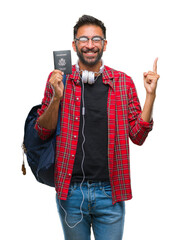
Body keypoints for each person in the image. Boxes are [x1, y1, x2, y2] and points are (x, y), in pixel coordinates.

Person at [35, 15, 160, 240]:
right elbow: (43, 131)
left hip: (110, 193)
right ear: (74, 45)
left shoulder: (123, 83)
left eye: (96, 39)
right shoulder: (58, 80)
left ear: (104, 44)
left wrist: (150, 95)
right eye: (83, 39)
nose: (90, 44)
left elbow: (138, 136)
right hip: (70, 192)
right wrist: (57, 97)